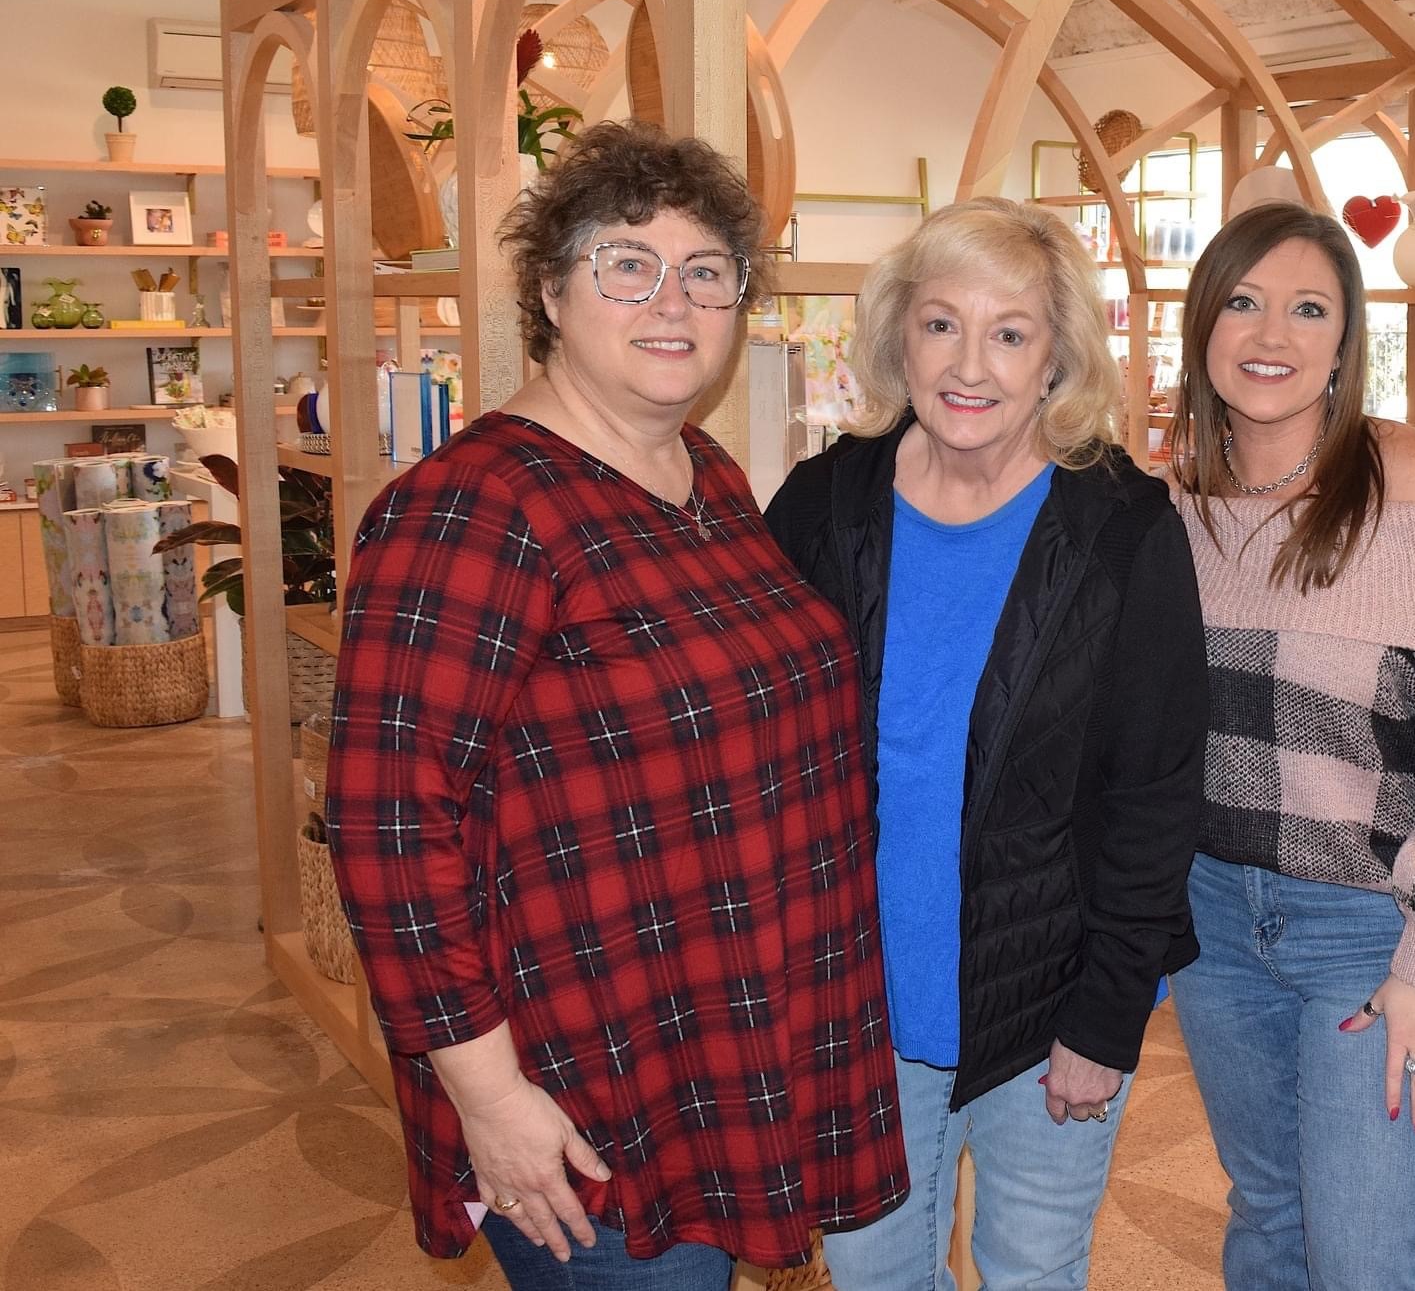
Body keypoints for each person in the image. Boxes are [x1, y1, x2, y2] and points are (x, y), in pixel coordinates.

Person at [324, 120, 908, 1290]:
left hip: (717, 1038)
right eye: (626, 265)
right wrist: (489, 1097)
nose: (671, 301)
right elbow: (387, 827)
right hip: (583, 1088)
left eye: (705, 272)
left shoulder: (707, 475)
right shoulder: (473, 509)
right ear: (551, 291)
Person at [764, 196, 1206, 1290]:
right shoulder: (823, 504)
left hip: (1048, 1002)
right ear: (897, 335)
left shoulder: (1122, 528)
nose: (970, 365)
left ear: (1055, 356)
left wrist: (1105, 1020)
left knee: (1030, 1270)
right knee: (872, 1275)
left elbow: (1154, 797)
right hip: (859, 1001)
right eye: (940, 324)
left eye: (1009, 333)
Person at [1165, 200, 1415, 1288]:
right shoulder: (1174, 502)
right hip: (1212, 919)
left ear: (1345, 340)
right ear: (1203, 327)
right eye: (1242, 303)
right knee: (1267, 1221)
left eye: (1308, 309)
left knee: (1361, 1256)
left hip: (1377, 928)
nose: (1271, 335)